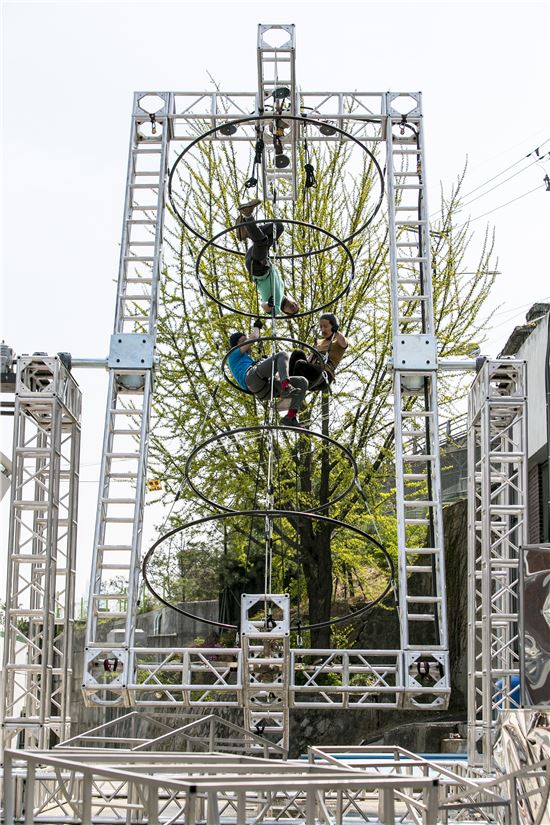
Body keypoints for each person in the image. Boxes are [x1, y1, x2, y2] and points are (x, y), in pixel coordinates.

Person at [227, 321, 308, 426]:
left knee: (302, 382)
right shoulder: (233, 354)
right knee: (282, 355)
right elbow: (254, 337)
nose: (248, 343)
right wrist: (256, 327)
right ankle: (285, 387)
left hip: (262, 389)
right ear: (237, 343)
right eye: (244, 340)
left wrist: (264, 362)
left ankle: (290, 417)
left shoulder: (244, 359)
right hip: (251, 379)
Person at [235, 199, 299, 317]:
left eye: (292, 310)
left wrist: (269, 304)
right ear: (294, 299)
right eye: (296, 305)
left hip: (258, 268)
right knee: (278, 228)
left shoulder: (277, 308)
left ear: (286, 312)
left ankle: (248, 216)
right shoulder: (282, 288)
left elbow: (264, 306)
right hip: (262, 259)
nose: (294, 307)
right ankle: (247, 231)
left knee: (262, 241)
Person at [289, 313, 348, 390]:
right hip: (312, 372)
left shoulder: (337, 342)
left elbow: (344, 343)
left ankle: (294, 391)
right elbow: (309, 359)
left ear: (333, 327)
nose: (322, 329)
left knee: (300, 364)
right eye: (321, 326)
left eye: (325, 326)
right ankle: (287, 384)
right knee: (297, 353)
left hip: (324, 374)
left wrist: (336, 331)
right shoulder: (318, 342)